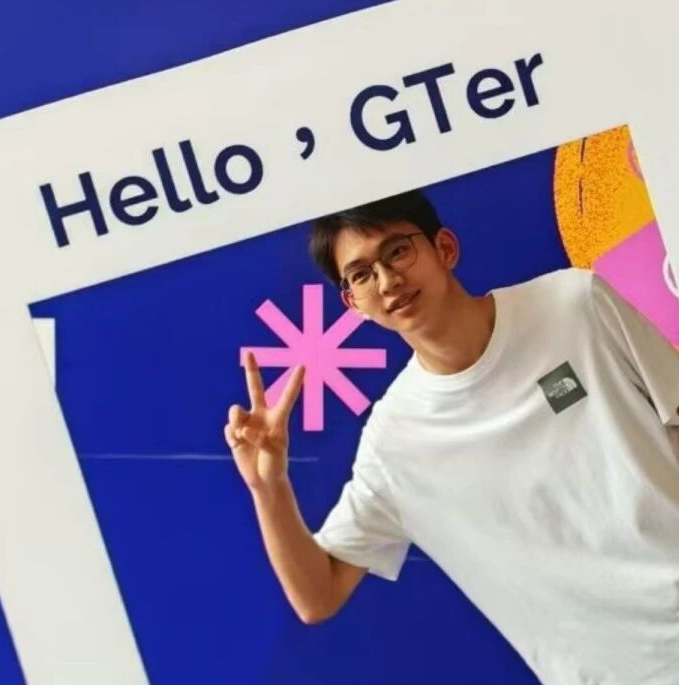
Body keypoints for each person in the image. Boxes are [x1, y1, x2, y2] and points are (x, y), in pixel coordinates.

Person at [223, 189, 679, 685]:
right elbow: (318, 596)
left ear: (444, 247)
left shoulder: (575, 303)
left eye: (398, 251)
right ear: (353, 303)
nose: (388, 281)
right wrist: (268, 488)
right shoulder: (393, 440)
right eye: (362, 274)